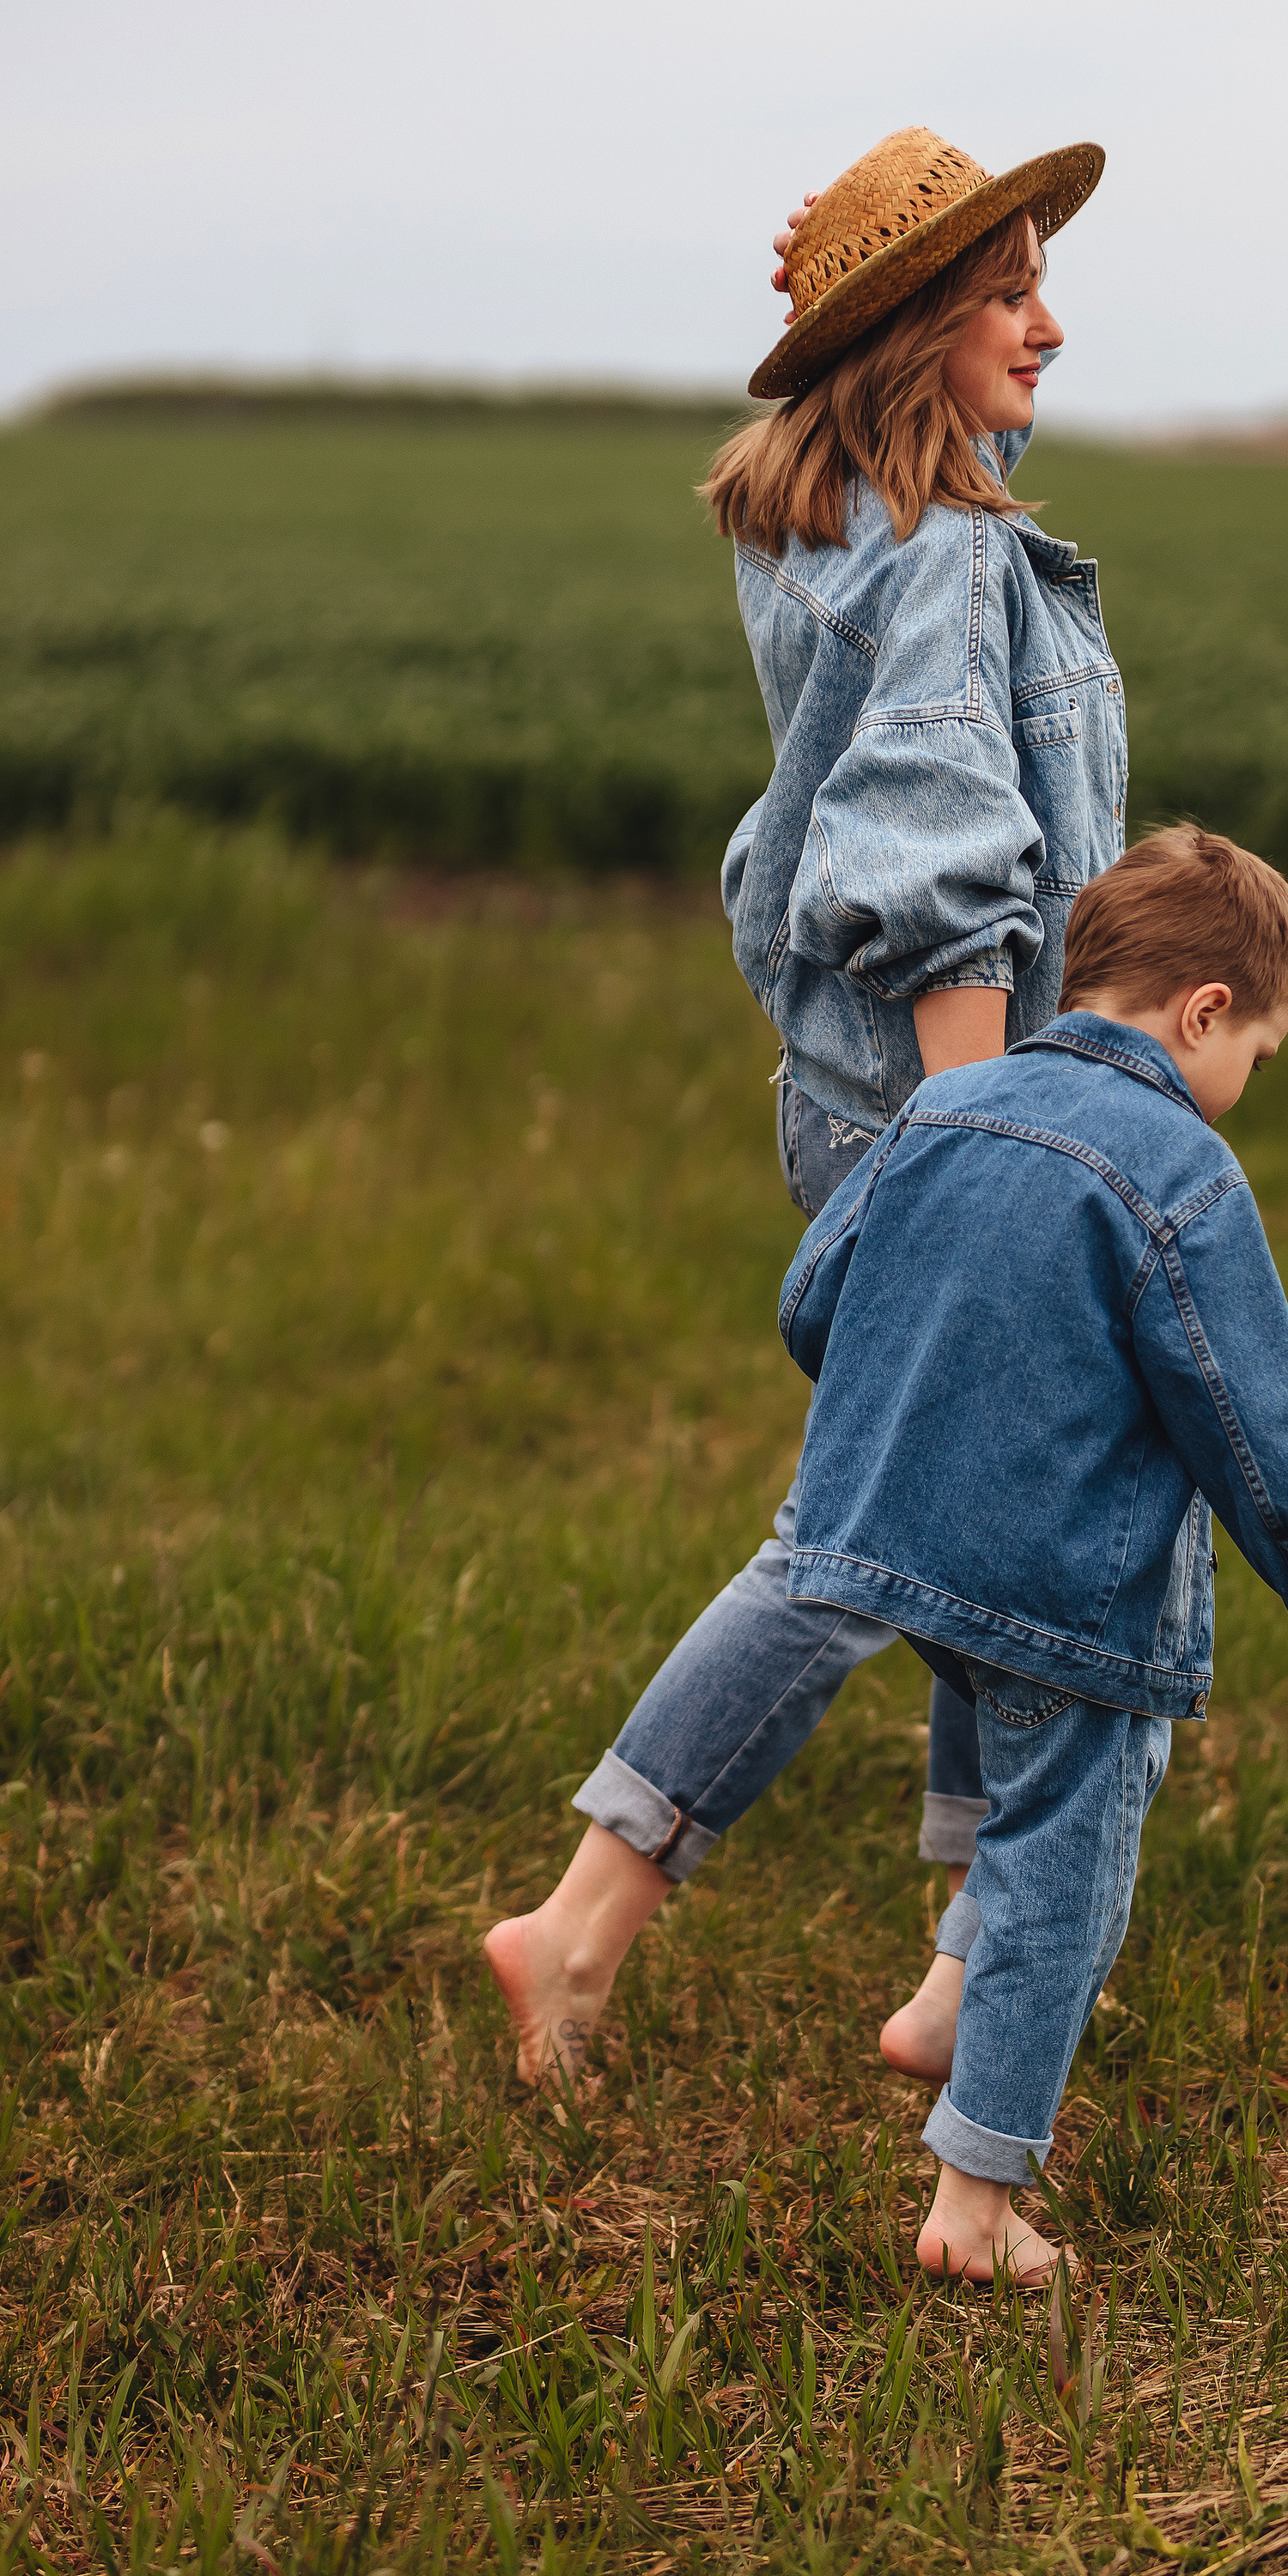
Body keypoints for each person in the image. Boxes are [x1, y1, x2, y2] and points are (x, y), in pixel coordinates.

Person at [484, 124, 1121, 2088]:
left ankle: (963, 1960)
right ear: (919, 328)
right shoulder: (936, 561)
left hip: (880, 1114)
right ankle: (586, 1920)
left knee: (1004, 1538)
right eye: (1004, 290)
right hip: (958, 1110)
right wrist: (992, 1158)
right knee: (876, 1542)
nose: (1051, 323)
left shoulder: (854, 528)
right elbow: (936, 853)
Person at [775, 826, 1288, 2287]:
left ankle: (951, 2000)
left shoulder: (950, 1107)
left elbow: (813, 1296)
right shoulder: (1184, 1171)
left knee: (1084, 1782)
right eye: (1256, 1053)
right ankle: (976, 2202)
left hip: (910, 1554)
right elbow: (1252, 1420)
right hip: (1071, 1593)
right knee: (1072, 1847)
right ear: (1206, 1012)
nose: (1245, 1088)